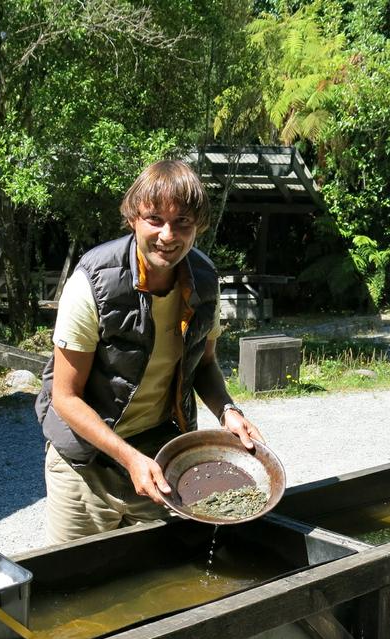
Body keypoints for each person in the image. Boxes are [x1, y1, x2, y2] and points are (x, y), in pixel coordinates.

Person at [35, 160, 262, 543]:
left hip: (158, 453)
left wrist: (228, 411)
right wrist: (128, 458)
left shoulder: (204, 281)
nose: (168, 236)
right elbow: (65, 398)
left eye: (183, 223)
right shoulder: (91, 282)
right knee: (74, 586)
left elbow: (204, 365)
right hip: (84, 464)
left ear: (198, 226)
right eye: (154, 219)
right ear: (133, 219)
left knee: (159, 575)